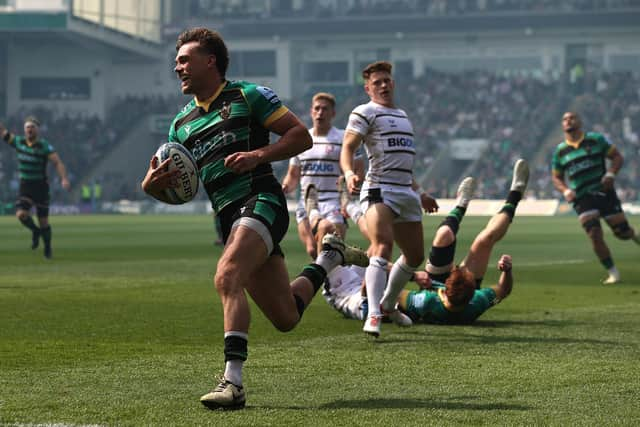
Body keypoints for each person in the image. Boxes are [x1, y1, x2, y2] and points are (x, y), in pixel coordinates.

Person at [141, 27, 367, 411]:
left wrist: (259, 156)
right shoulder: (180, 125)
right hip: (232, 217)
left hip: (261, 200)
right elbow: (183, 183)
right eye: (176, 61)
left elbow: (300, 137)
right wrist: (151, 186)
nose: (176, 67)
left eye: (184, 60)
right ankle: (330, 257)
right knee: (286, 315)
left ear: (209, 61)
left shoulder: (249, 95)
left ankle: (233, 383)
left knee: (227, 275)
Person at [325, 159, 529, 325]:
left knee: (386, 241)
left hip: (434, 287)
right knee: (484, 239)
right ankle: (514, 195)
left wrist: (405, 274)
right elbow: (503, 290)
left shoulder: (427, 301)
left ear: (446, 287)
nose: (459, 266)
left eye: (458, 269)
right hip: (460, 293)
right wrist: (507, 271)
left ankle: (350, 208)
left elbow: (389, 294)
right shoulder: (476, 301)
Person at [340, 60, 438, 337]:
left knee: (415, 256)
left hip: (405, 191)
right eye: (377, 82)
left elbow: (404, 165)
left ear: (393, 84)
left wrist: (421, 193)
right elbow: (348, 147)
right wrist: (348, 173)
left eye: (387, 81)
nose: (383, 85)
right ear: (368, 88)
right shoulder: (364, 112)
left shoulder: (403, 116)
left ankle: (388, 304)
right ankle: (373, 314)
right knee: (382, 246)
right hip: (379, 188)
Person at [551, 112, 640, 284]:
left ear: (580, 121)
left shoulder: (596, 140)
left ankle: (633, 235)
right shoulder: (560, 151)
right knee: (594, 234)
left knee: (622, 233)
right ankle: (613, 273)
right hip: (582, 198)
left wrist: (610, 174)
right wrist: (565, 191)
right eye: (564, 119)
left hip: (603, 192)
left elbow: (617, 157)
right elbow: (556, 177)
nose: (568, 120)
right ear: (562, 125)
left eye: (572, 117)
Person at [281, 92, 348, 258]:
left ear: (333, 113)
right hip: (307, 203)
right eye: (317, 109)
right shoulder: (302, 140)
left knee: (332, 249)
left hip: (333, 202)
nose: (320, 113)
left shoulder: (341, 138)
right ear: (311, 111)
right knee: (313, 250)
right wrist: (285, 187)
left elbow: (349, 168)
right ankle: (332, 281)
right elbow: (293, 175)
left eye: (325, 109)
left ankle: (325, 282)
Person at [1, 116, 70, 258]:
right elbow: (3, 132)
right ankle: (35, 231)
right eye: (27, 127)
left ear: (37, 130)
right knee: (21, 214)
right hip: (26, 186)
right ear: (24, 130)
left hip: (41, 187)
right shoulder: (18, 142)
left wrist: (63, 178)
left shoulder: (44, 146)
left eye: (32, 127)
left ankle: (47, 247)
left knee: (43, 222)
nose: (30, 129)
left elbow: (57, 162)